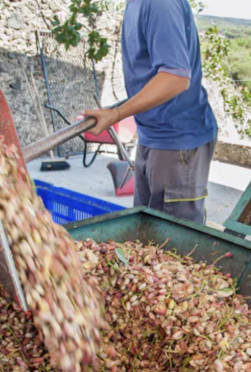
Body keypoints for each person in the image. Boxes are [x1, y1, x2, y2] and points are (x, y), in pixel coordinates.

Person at [83, 0, 218, 225]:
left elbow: (175, 78)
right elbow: (150, 78)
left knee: (177, 245)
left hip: (178, 142)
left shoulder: (159, 3)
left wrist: (116, 114)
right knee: (145, 233)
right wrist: (114, 111)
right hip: (151, 136)